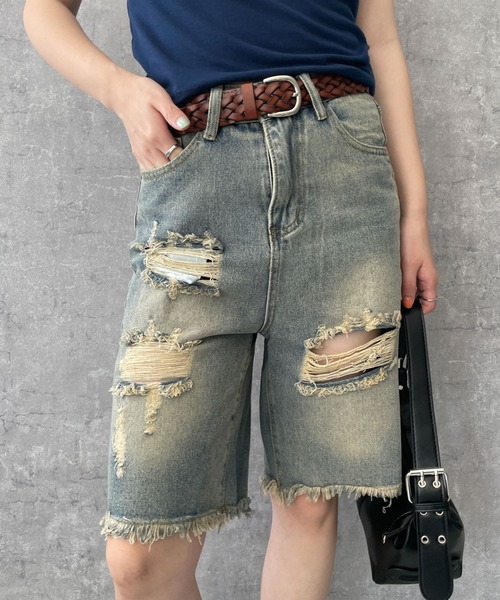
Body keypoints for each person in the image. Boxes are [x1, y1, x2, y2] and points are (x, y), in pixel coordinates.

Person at [23, 1, 439, 598]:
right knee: (139, 561)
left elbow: (380, 40)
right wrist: (119, 91)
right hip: (195, 180)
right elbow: (43, 11)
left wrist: (415, 213)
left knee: (310, 500)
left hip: (343, 177)